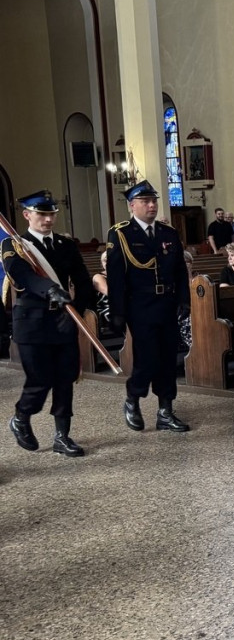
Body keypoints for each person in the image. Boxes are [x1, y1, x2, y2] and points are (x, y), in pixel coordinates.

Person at [2, 190, 94, 456]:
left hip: (63, 319)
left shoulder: (66, 245)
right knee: (40, 378)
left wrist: (78, 311)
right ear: (27, 215)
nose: (48, 219)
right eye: (42, 214)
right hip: (32, 322)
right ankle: (21, 417)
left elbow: (82, 279)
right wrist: (48, 289)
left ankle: (62, 436)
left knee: (65, 378)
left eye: (51, 214)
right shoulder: (15, 245)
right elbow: (20, 274)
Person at [105, 180, 191, 433]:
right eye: (145, 201)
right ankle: (133, 398)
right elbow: (116, 276)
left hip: (166, 303)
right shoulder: (121, 234)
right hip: (139, 305)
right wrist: (117, 311)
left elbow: (179, 271)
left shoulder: (168, 233)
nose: (152, 205)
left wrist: (184, 300)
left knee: (168, 358)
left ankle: (165, 410)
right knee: (148, 357)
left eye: (153, 201)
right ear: (132, 206)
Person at [92, 249, 111, 324]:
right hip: (107, 308)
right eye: (104, 260)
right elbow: (111, 293)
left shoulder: (123, 275)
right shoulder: (98, 277)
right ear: (102, 263)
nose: (107, 263)